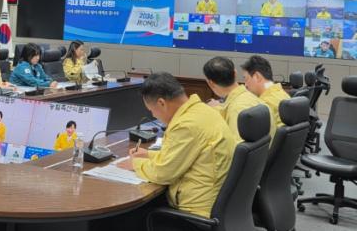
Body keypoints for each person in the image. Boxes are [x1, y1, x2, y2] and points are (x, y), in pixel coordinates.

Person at [117, 72, 235, 219]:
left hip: (195, 213)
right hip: (217, 205)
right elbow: (182, 154)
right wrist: (148, 155)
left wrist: (135, 164)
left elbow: (163, 173)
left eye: (152, 110)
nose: (154, 115)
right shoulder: (202, 111)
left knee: (125, 218)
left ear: (161, 103)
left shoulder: (186, 125)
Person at [203, 56, 275, 144]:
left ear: (210, 83)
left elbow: (238, 149)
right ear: (235, 73)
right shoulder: (252, 98)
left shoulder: (237, 110)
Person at [241, 55, 290, 128]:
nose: (245, 85)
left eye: (246, 79)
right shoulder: (282, 94)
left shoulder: (263, 106)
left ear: (257, 76)